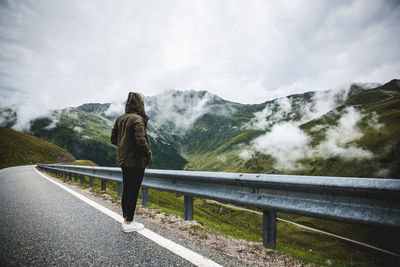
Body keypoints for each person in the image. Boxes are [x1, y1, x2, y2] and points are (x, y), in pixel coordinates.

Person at [111, 92, 152, 232]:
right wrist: (148, 155)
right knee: (134, 190)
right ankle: (129, 223)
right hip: (136, 162)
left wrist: (124, 148)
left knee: (127, 189)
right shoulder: (137, 119)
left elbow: (113, 139)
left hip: (123, 160)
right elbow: (141, 140)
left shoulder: (120, 118)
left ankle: (125, 219)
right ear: (140, 104)